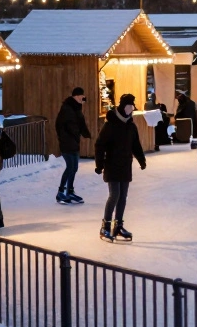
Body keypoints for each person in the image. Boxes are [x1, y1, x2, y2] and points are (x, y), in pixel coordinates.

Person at [94, 93, 146, 241]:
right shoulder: (110, 124)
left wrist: (141, 160)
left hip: (125, 165)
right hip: (112, 164)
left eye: (132, 106)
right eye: (129, 106)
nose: (132, 109)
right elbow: (100, 144)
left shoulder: (131, 125)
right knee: (114, 195)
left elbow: (135, 145)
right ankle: (105, 226)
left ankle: (118, 226)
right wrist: (99, 163)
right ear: (123, 107)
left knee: (123, 196)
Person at [54, 87, 91, 205]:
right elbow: (60, 125)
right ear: (76, 96)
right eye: (81, 96)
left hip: (74, 141)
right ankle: (61, 192)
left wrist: (85, 133)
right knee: (70, 167)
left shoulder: (76, 108)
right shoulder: (67, 108)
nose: (83, 98)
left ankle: (69, 191)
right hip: (67, 142)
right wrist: (65, 137)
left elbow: (81, 122)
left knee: (74, 167)